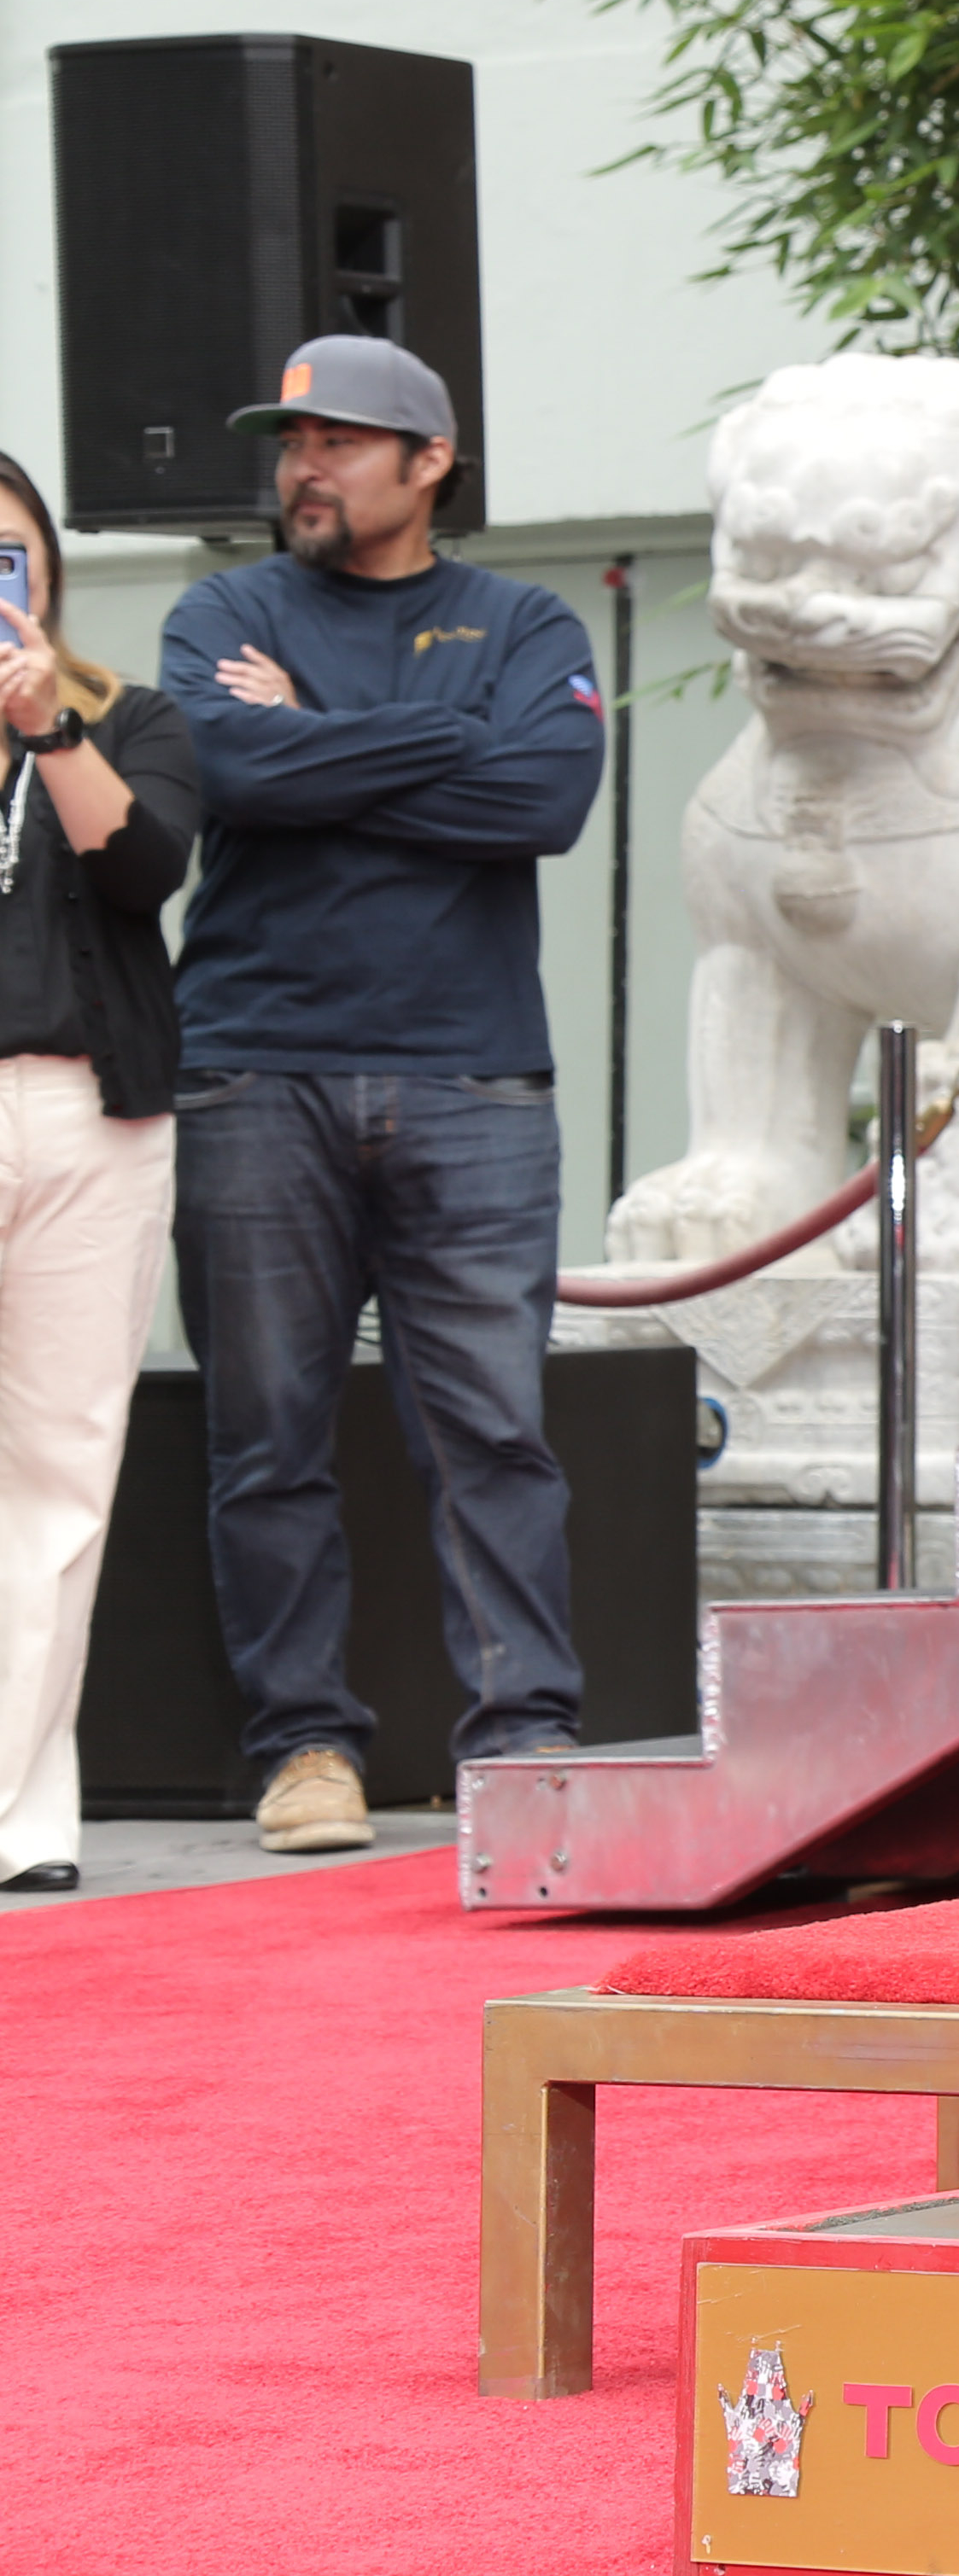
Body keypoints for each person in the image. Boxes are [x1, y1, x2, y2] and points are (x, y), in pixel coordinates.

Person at [162, 336, 605, 1855]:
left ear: (431, 464)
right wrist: (436, 744)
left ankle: (528, 1737)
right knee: (264, 1436)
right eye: (291, 441)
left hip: (471, 1075)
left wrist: (314, 738)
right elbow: (228, 774)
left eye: (341, 442)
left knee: (492, 1432)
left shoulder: (523, 614)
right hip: (252, 1068)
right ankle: (304, 1750)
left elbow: (543, 800)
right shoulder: (221, 613)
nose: (303, 468)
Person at [0, 456, 202, 1895]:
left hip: (89, 1119)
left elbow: (145, 870)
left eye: (9, 556)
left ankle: (21, 1813)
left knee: (61, 1473)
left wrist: (45, 727)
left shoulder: (127, 714)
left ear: (47, 572)